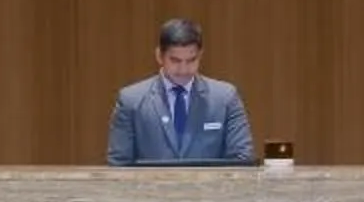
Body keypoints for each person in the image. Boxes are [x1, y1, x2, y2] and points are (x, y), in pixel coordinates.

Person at [108, 17, 255, 165]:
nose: (183, 70)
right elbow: (119, 165)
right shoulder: (131, 100)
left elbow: (241, 159)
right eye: (175, 61)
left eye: (191, 60)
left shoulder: (225, 98)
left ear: (200, 55)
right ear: (159, 56)